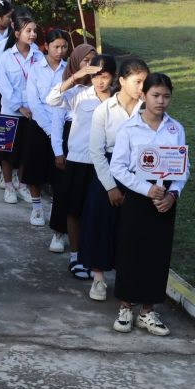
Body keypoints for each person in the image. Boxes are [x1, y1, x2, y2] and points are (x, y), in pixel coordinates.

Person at [109, 73, 187, 336]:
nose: (161, 101)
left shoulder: (176, 129)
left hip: (164, 199)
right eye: (155, 95)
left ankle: (147, 311)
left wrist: (172, 194)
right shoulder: (129, 129)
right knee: (131, 250)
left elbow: (183, 167)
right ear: (143, 96)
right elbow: (118, 167)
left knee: (157, 253)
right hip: (138, 196)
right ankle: (125, 307)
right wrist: (146, 189)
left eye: (166, 96)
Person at [82, 57, 148, 302]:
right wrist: (110, 186)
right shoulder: (105, 110)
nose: (142, 87)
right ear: (122, 81)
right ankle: (98, 278)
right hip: (107, 172)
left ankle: (127, 279)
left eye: (145, 82)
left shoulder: (147, 110)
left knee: (130, 228)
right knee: (101, 224)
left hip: (138, 172)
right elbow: (96, 151)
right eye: (137, 81)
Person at [46, 48, 109, 277]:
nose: (99, 80)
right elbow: (52, 99)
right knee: (73, 209)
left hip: (104, 162)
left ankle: (92, 257)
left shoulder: (116, 100)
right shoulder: (79, 94)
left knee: (96, 212)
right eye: (95, 74)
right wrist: (74, 77)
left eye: (104, 75)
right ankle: (76, 256)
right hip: (78, 160)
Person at [20, 28, 69, 225]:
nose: (60, 51)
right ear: (46, 46)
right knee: (35, 168)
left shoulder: (68, 70)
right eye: (56, 47)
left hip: (62, 123)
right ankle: (37, 208)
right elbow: (34, 101)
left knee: (59, 169)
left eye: (64, 47)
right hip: (39, 124)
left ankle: (56, 208)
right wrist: (49, 129)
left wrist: (56, 129)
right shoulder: (36, 69)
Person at [0, 9, 39, 206]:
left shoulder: (38, 55)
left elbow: (40, 82)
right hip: (10, 111)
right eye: (28, 31)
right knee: (7, 153)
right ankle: (8, 187)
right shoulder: (6, 56)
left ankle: (21, 185)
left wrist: (34, 106)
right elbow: (3, 85)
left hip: (32, 112)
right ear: (17, 33)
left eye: (34, 31)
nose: (32, 34)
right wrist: (19, 107)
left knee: (26, 152)